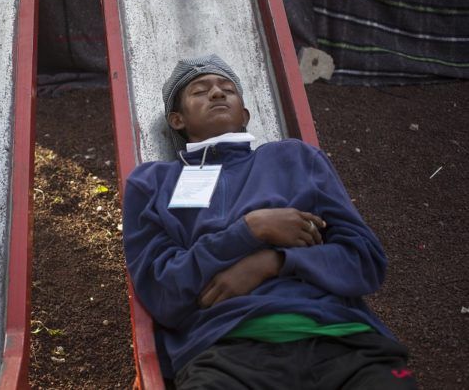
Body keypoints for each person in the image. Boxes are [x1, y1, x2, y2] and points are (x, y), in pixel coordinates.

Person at [122, 54, 416, 389]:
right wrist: (250, 229)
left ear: (244, 114)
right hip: (227, 351)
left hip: (343, 343)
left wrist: (275, 262)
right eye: (200, 91)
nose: (217, 93)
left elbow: (364, 260)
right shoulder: (153, 183)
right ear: (177, 119)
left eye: (227, 89)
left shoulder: (295, 158)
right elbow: (162, 293)